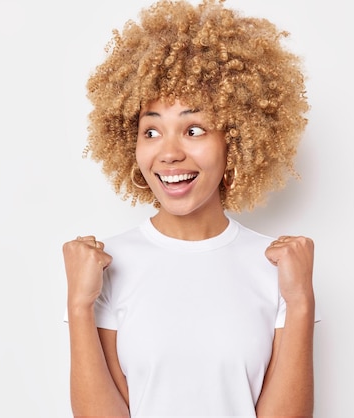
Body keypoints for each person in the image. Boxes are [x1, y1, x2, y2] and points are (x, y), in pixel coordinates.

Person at [61, 0, 320, 416]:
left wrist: (300, 300)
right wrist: (78, 305)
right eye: (151, 130)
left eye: (193, 129)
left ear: (234, 140)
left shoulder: (277, 267)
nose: (168, 153)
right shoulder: (107, 265)